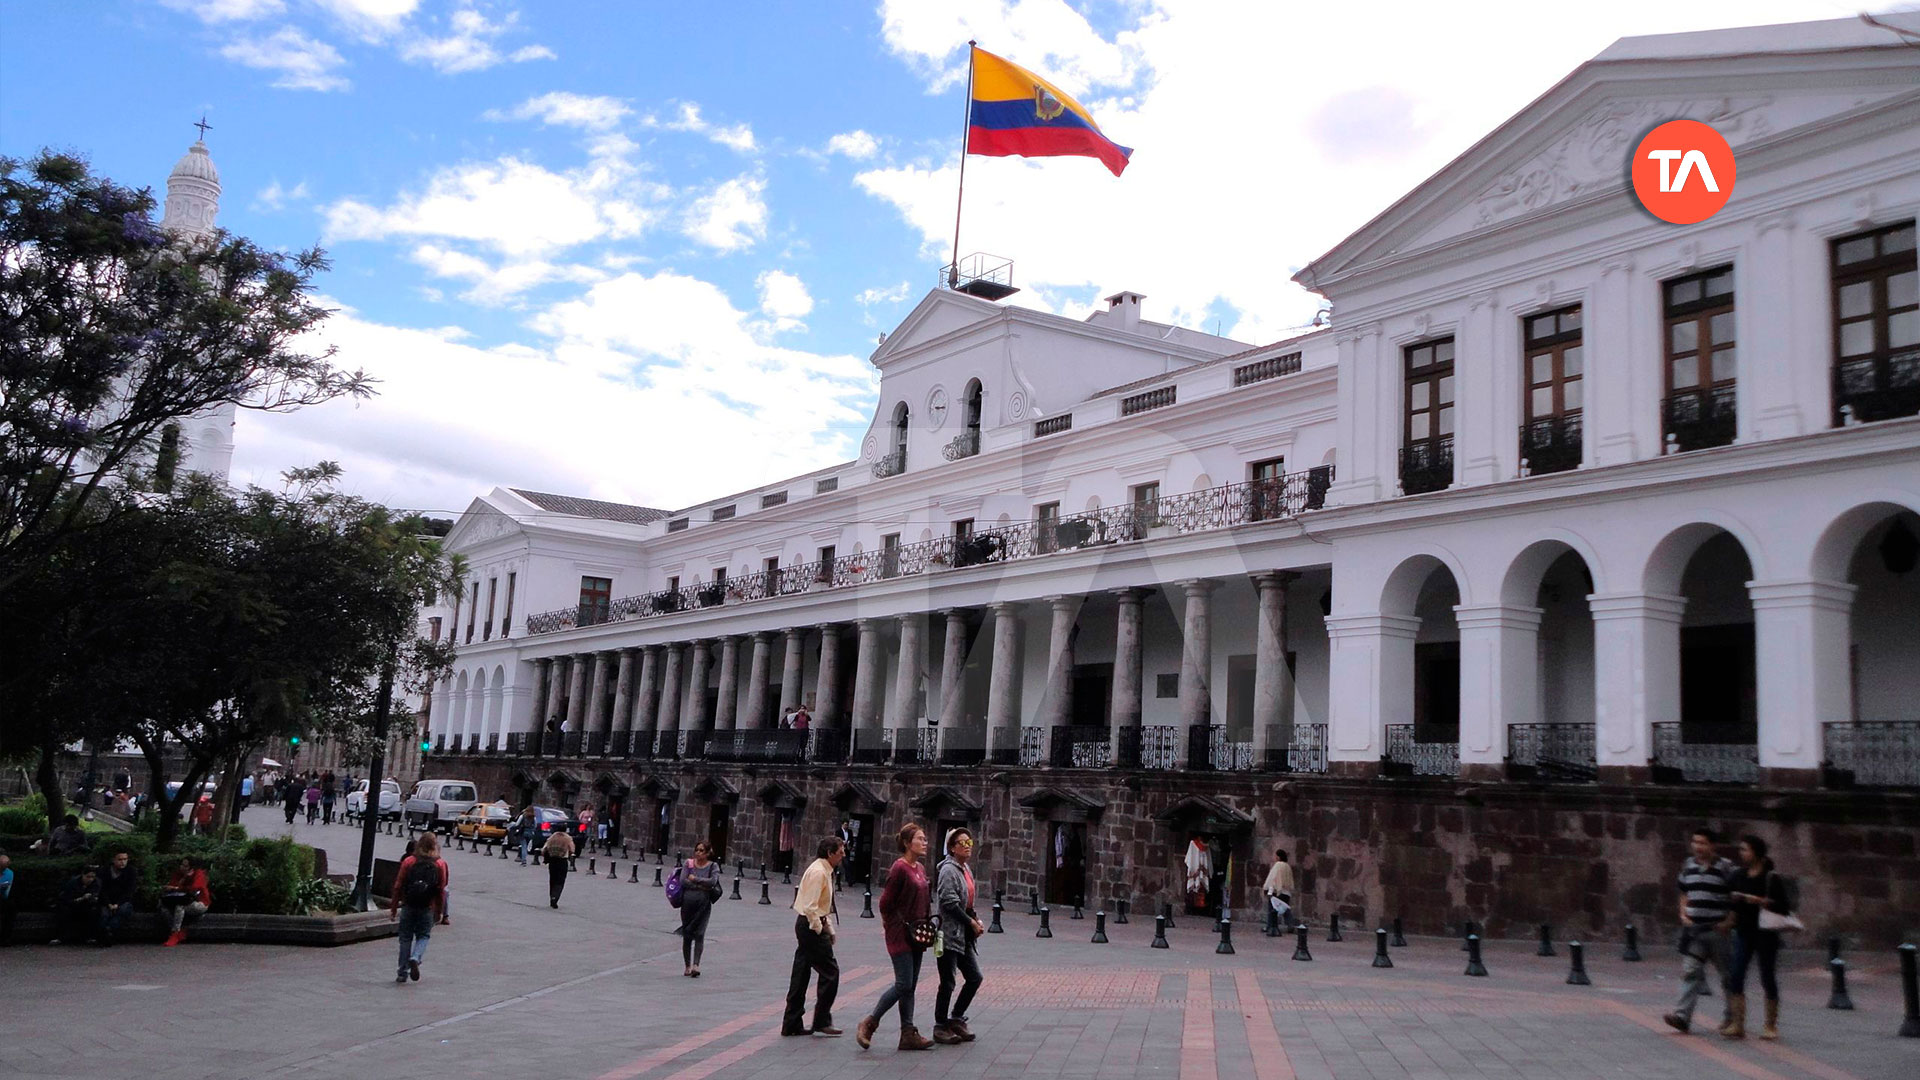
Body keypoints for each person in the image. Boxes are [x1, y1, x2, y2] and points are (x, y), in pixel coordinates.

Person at [856, 822, 934, 1053]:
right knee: (903, 983)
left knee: (910, 986)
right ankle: (870, 1022)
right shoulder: (899, 869)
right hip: (900, 933)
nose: (925, 843)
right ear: (908, 843)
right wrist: (890, 924)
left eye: (925, 839)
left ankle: (907, 1033)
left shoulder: (919, 868)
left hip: (918, 933)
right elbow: (885, 903)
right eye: (920, 839)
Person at [1663, 828, 1736, 1034]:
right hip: (1695, 929)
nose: (1698, 847)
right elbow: (1684, 891)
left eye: (1703, 843)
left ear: (1713, 845)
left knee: (1727, 975)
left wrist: (1729, 920)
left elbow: (1735, 897)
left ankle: (1732, 1017)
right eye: (1695, 842)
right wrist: (1683, 913)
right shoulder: (1689, 865)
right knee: (1690, 970)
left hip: (1717, 929)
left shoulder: (1725, 867)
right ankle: (1682, 1016)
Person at [1724, 835, 1792, 1040]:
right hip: (1744, 931)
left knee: (1767, 976)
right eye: (1741, 849)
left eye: (1745, 849)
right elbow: (1729, 896)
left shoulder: (1771, 877)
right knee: (1736, 974)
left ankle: (1770, 1024)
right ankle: (1737, 1023)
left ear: (1757, 853)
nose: (1742, 853)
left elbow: (1784, 906)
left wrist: (1761, 901)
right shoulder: (1738, 875)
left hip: (1766, 933)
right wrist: (1731, 912)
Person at [784, 836, 846, 1037]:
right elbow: (812, 907)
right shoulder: (819, 872)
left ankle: (792, 1022)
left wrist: (830, 928)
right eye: (840, 852)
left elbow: (821, 905)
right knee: (831, 972)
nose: (843, 855)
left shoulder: (824, 870)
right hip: (810, 925)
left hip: (810, 923)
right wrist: (820, 929)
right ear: (830, 853)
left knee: (801, 973)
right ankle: (821, 1019)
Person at [932, 827, 986, 1045]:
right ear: (952, 848)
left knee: (974, 977)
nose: (967, 846)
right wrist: (970, 922)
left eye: (969, 843)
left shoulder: (965, 870)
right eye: (962, 843)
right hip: (947, 934)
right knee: (947, 981)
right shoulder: (948, 870)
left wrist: (976, 919)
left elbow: (967, 902)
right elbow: (949, 902)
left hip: (963, 935)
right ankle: (940, 1025)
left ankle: (956, 1017)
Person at [389, 831, 447, 983]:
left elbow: (398, 886)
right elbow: (441, 890)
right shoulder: (440, 864)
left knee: (405, 938)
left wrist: (394, 907)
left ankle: (402, 972)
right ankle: (415, 957)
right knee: (424, 936)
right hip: (427, 906)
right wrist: (439, 912)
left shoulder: (409, 861)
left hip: (409, 903)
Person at [679, 840, 723, 977]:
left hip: (703, 905)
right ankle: (687, 965)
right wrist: (701, 886)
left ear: (708, 852)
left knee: (699, 933)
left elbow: (713, 882)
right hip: (687, 903)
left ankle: (696, 965)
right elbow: (683, 880)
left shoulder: (713, 866)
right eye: (697, 850)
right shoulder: (689, 864)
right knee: (687, 934)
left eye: (701, 850)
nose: (698, 853)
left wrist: (695, 879)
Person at [161, 857, 212, 946]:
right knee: (163, 908)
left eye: (185, 866)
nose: (182, 868)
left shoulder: (198, 874)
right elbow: (173, 884)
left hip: (199, 902)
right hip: (180, 899)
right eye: (181, 865)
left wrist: (178, 888)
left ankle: (175, 933)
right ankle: (178, 930)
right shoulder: (178, 874)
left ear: (191, 867)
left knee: (180, 907)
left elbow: (195, 888)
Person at [98, 850, 139, 945]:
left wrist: (117, 904)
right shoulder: (104, 871)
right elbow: (101, 889)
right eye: (120, 859)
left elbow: (130, 891)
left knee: (123, 911)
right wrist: (108, 903)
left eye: (125, 859)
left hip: (123, 901)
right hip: (107, 901)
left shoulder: (131, 871)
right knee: (103, 914)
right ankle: (102, 935)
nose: (123, 862)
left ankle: (109, 932)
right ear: (113, 860)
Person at [55, 866, 102, 945]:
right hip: (73, 905)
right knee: (64, 912)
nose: (90, 879)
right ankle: (61, 937)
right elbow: (67, 899)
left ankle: (90, 937)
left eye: (92, 877)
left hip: (87, 906)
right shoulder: (73, 883)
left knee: (94, 911)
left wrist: (93, 898)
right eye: (88, 877)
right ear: (83, 875)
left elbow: (97, 895)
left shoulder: (97, 882)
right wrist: (81, 898)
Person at [1262, 848, 1297, 931]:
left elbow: (1273, 879)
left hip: (1277, 892)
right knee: (1285, 909)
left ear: (1278, 857)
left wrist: (1269, 891)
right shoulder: (1287, 866)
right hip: (1286, 892)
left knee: (1272, 910)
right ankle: (1290, 925)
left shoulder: (1277, 865)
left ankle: (1270, 926)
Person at [542, 826, 575, 908]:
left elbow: (544, 849)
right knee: (560, 880)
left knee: (552, 879)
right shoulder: (567, 838)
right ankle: (555, 897)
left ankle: (551, 897)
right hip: (562, 861)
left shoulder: (552, 837)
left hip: (552, 861)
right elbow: (572, 849)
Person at [0, 853, 13, 947]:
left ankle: (5, 938)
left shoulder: (9, 873)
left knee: (9, 907)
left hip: (2, 897)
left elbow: (7, 892)